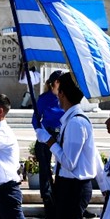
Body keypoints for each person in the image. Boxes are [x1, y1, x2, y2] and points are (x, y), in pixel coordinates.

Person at [22, 72, 100, 219]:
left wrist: (48, 141)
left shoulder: (77, 122)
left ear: (62, 93)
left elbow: (71, 162)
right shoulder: (70, 119)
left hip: (74, 188)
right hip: (63, 187)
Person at [31, 70, 64, 208]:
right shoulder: (44, 98)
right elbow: (36, 119)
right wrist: (40, 133)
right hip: (47, 135)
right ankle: (47, 200)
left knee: (63, 168)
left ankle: (61, 198)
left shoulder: (65, 98)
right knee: (45, 170)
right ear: (56, 83)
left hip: (62, 135)